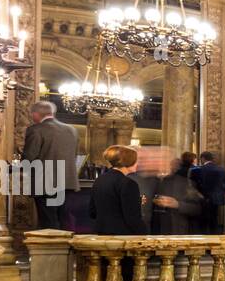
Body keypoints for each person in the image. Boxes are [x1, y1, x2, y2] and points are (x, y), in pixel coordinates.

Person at [20, 100, 79, 230]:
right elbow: (74, 156)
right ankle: (64, 249)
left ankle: (51, 249)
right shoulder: (72, 130)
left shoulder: (36, 130)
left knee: (48, 221)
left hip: (45, 183)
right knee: (64, 219)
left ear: (36, 114)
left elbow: (29, 158)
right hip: (68, 182)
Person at [88, 144, 148, 234]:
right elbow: (132, 218)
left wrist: (135, 200)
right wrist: (145, 233)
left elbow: (92, 212)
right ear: (128, 161)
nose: (138, 163)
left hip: (100, 234)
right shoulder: (129, 183)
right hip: (121, 237)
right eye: (136, 161)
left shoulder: (99, 180)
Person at [152, 157, 203, 234]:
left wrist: (178, 204)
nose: (173, 168)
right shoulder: (162, 181)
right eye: (172, 165)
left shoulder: (187, 183)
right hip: (161, 229)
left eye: (176, 165)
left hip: (179, 229)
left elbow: (196, 208)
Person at [191, 151, 225, 233]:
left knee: (203, 222)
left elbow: (195, 185)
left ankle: (204, 240)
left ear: (203, 158)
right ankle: (214, 240)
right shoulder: (221, 169)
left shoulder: (199, 170)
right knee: (214, 221)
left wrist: (200, 193)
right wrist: (221, 192)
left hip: (203, 199)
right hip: (216, 199)